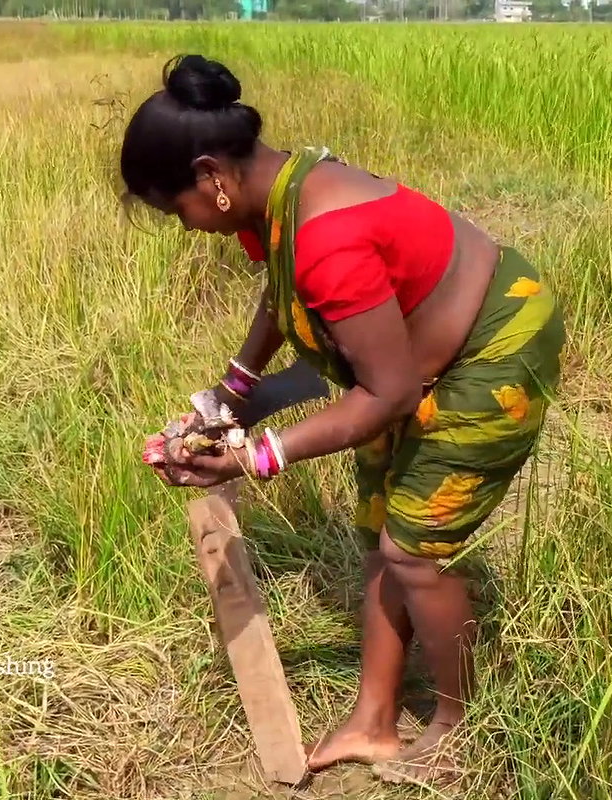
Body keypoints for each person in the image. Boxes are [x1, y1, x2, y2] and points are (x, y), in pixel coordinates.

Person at [128, 54, 565, 787]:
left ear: (212, 178)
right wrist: (234, 393)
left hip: (493, 347)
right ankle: (374, 719)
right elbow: (282, 289)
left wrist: (253, 459)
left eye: (179, 210)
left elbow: (386, 394)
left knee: (414, 551)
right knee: (379, 531)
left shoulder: (326, 230)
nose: (186, 227)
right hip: (409, 354)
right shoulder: (277, 198)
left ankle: (458, 724)